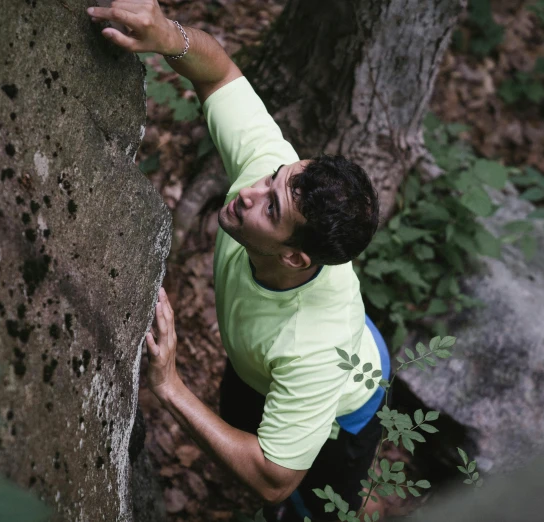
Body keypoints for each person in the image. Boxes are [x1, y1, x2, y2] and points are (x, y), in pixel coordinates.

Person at [87, 2, 390, 520]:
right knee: (239, 415)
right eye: (272, 177)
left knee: (307, 506)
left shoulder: (312, 349)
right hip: (261, 363)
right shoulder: (268, 176)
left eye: (270, 207)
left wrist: (170, 387)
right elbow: (220, 72)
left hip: (344, 405)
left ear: (295, 256)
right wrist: (164, 33)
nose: (248, 192)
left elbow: (273, 477)